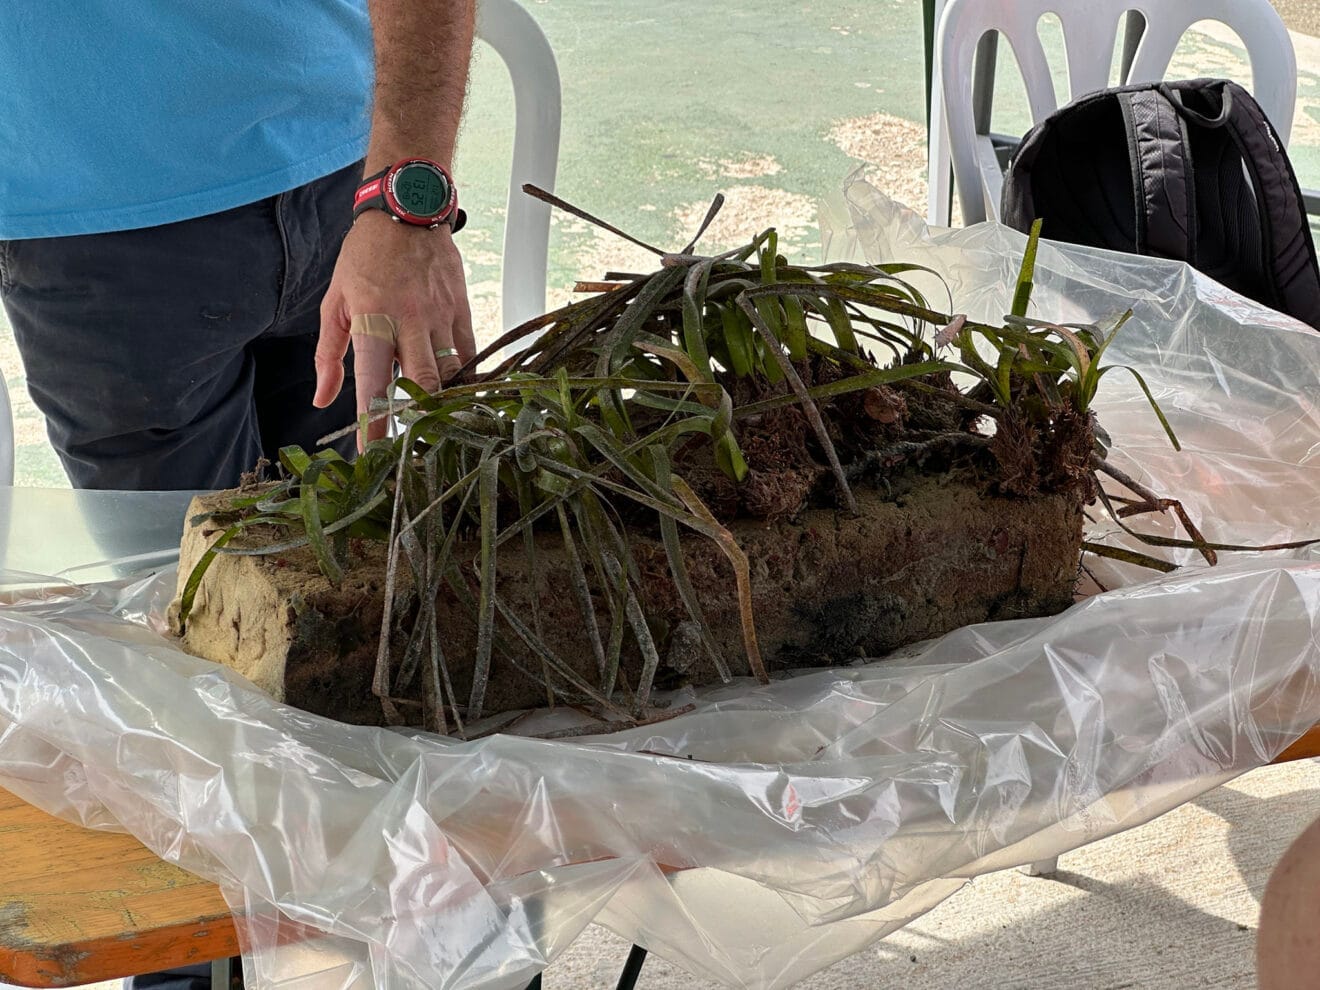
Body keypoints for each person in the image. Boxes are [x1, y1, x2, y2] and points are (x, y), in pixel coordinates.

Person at [0, 0, 477, 493]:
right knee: (191, 561)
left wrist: (408, 203)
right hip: (101, 222)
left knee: (349, 535)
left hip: (351, 173)